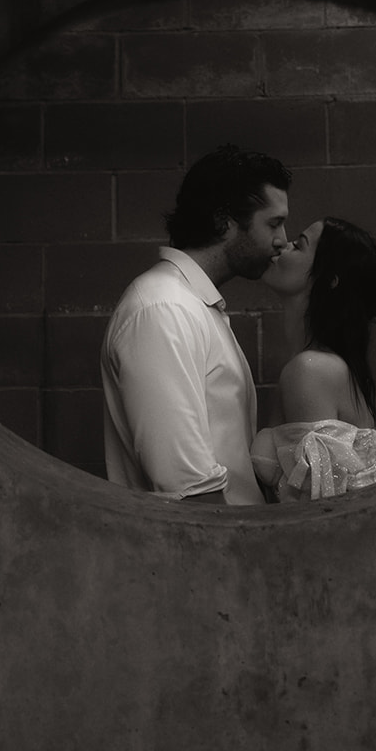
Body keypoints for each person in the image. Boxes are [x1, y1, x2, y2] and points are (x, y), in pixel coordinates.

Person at [101, 144, 291, 505]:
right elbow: (189, 488)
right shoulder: (163, 309)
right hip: (208, 552)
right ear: (224, 221)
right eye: (274, 223)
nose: (282, 240)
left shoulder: (193, 304)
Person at [251, 216, 376, 502]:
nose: (283, 246)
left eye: (299, 246)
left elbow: (319, 508)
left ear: (329, 279)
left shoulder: (311, 370)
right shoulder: (318, 365)